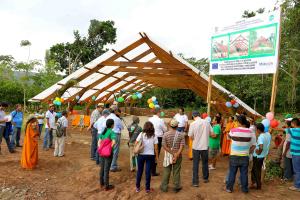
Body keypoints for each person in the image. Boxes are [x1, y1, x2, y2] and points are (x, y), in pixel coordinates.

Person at [226, 115, 256, 193]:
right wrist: (248, 152)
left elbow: (228, 138)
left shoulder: (233, 130)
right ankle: (245, 189)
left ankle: (229, 188)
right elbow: (254, 145)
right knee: (244, 174)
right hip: (245, 156)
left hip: (234, 155)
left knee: (232, 172)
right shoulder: (251, 132)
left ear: (239, 122)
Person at [188, 111, 213, 187]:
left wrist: (195, 138)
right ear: (199, 115)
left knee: (195, 164)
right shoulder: (207, 123)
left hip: (196, 147)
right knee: (205, 163)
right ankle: (205, 178)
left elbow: (190, 136)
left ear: (193, 116)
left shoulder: (192, 124)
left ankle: (195, 182)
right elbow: (211, 133)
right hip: (205, 146)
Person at [160, 119, 185, 193]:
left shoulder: (165, 134)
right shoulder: (181, 134)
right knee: (176, 171)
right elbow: (182, 146)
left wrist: (172, 153)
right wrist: (176, 154)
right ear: (177, 126)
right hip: (178, 155)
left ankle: (164, 187)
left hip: (168, 155)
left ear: (170, 125)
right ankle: (176, 186)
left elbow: (164, 146)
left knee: (167, 170)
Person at [135, 121, 159, 193]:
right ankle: (147, 188)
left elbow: (136, 143)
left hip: (141, 155)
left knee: (139, 171)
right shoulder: (154, 136)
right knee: (148, 172)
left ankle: (137, 187)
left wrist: (138, 147)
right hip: (150, 156)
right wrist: (157, 157)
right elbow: (156, 148)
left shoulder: (141, 134)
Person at [250, 123, 271, 190]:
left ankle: (256, 184)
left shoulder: (260, 137)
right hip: (263, 155)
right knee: (257, 170)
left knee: (255, 171)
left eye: (256, 129)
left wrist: (258, 152)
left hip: (258, 156)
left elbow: (261, 147)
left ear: (258, 130)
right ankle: (257, 184)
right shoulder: (268, 134)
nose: (255, 130)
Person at [98, 119, 116, 191]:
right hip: (108, 153)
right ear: (112, 125)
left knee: (102, 168)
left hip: (102, 153)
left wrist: (102, 149)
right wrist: (109, 148)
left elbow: (99, 141)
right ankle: (106, 186)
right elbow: (114, 142)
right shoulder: (112, 132)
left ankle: (101, 183)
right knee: (106, 169)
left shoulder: (104, 131)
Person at [149, 108, 167, 176]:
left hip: (150, 137)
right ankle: (153, 171)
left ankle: (150, 169)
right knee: (156, 154)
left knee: (150, 152)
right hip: (158, 138)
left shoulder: (150, 119)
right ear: (158, 112)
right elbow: (165, 129)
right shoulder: (160, 120)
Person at [106, 105, 123, 172]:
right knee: (115, 150)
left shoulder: (107, 117)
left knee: (109, 149)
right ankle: (113, 166)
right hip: (116, 134)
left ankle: (109, 164)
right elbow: (122, 127)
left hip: (108, 134)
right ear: (115, 111)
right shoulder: (117, 118)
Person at [288, 118, 300, 192]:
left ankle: (297, 186)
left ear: (293, 123)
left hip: (296, 153)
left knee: (297, 170)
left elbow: (282, 129)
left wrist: (272, 127)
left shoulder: (293, 130)